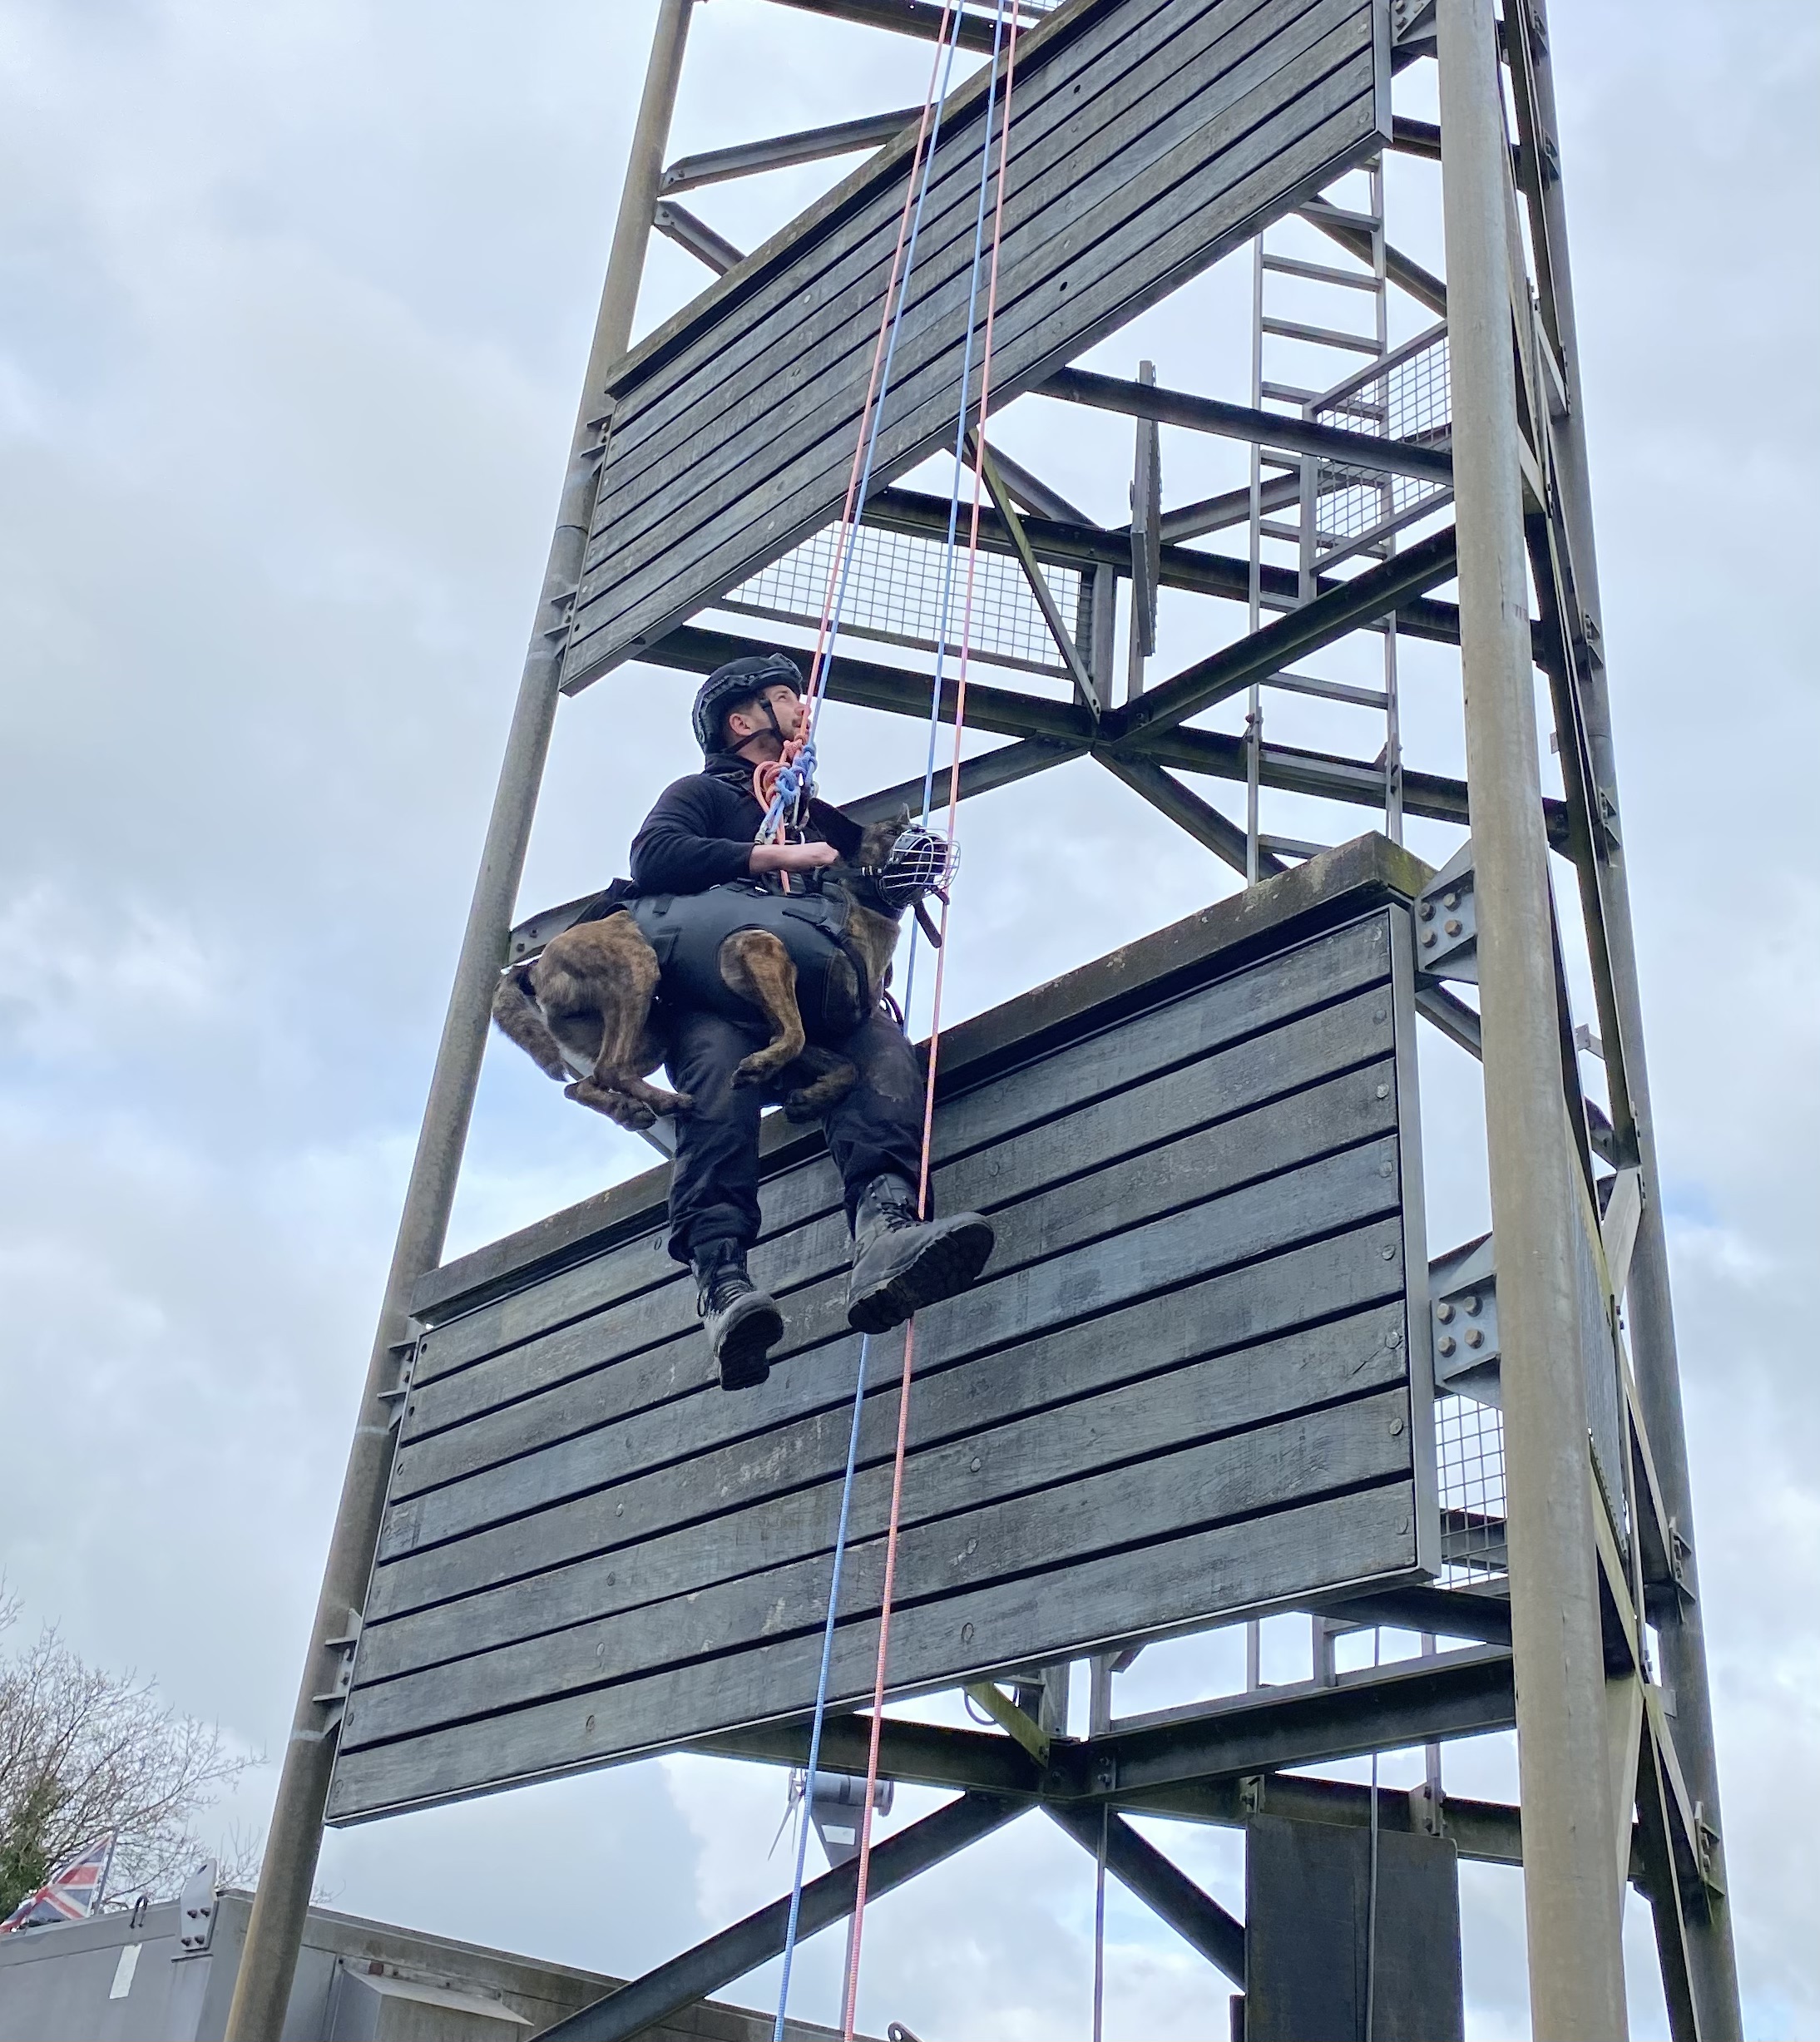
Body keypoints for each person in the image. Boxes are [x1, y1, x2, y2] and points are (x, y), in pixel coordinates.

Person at [629, 652, 994, 1391]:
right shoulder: (703, 795)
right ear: (743, 721)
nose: (803, 708)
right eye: (787, 698)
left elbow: (858, 909)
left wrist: (889, 878)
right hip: (722, 990)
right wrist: (767, 854)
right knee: (715, 1080)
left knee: (881, 1052)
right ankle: (722, 1279)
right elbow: (654, 856)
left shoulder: (815, 818)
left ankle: (884, 1231)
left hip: (811, 997)